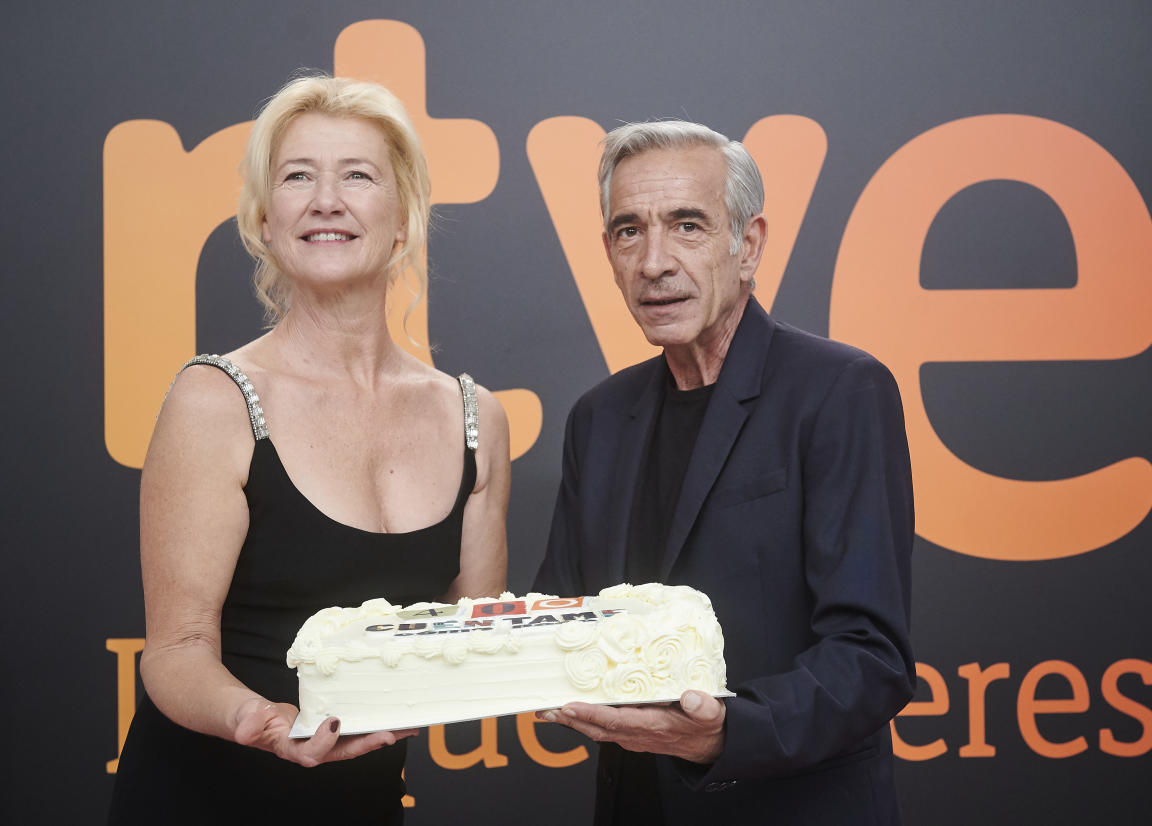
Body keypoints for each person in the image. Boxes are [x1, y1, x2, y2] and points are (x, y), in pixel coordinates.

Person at [107, 75, 510, 824]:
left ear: (403, 219)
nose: (327, 200)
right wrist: (261, 721)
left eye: (357, 175)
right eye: (298, 177)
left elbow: (468, 645)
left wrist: (585, 661)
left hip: (361, 803)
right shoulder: (214, 399)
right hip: (202, 800)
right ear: (266, 218)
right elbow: (177, 650)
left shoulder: (474, 419)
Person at [534, 120, 915, 825]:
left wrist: (724, 732)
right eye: (628, 231)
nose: (653, 262)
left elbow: (870, 658)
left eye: (687, 226)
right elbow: (559, 621)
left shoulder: (840, 391)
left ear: (749, 245)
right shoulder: (597, 417)